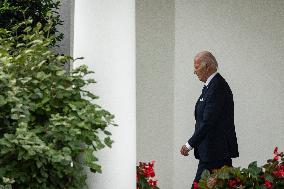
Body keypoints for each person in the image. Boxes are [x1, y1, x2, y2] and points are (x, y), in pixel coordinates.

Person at [180, 51, 239, 187]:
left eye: (196, 67)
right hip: (211, 152)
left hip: (215, 153)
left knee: (198, 186)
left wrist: (189, 144)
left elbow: (208, 122)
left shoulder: (217, 87)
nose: (194, 72)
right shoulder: (210, 86)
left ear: (207, 66)